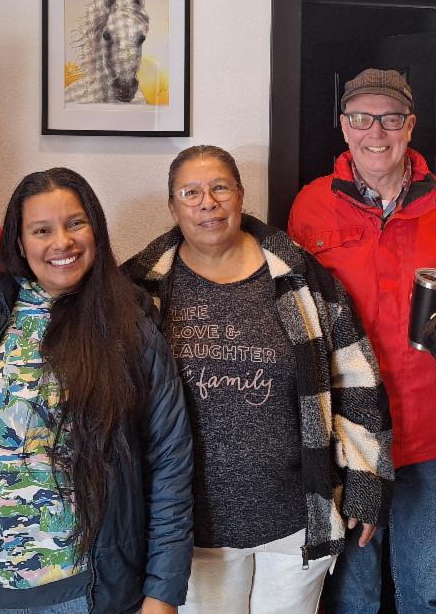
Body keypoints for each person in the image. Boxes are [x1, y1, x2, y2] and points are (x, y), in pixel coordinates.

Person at [0, 168, 193, 614]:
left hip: (80, 591)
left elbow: (170, 461)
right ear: (20, 243)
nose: (62, 242)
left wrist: (163, 592)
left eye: (75, 223)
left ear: (96, 231)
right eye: (42, 230)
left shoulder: (130, 325)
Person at [122, 145, 392, 614]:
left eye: (220, 188)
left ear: (241, 195)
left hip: (295, 520)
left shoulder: (299, 277)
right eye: (191, 193)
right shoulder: (138, 289)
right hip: (191, 529)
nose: (208, 203)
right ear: (172, 207)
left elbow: (355, 379)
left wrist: (367, 482)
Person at [287, 69, 436, 614]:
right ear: (344, 126)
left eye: (391, 118)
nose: (376, 132)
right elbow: (294, 310)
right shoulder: (310, 206)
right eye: (361, 118)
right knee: (353, 596)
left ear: (411, 125)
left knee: (426, 593)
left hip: (430, 428)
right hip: (349, 433)